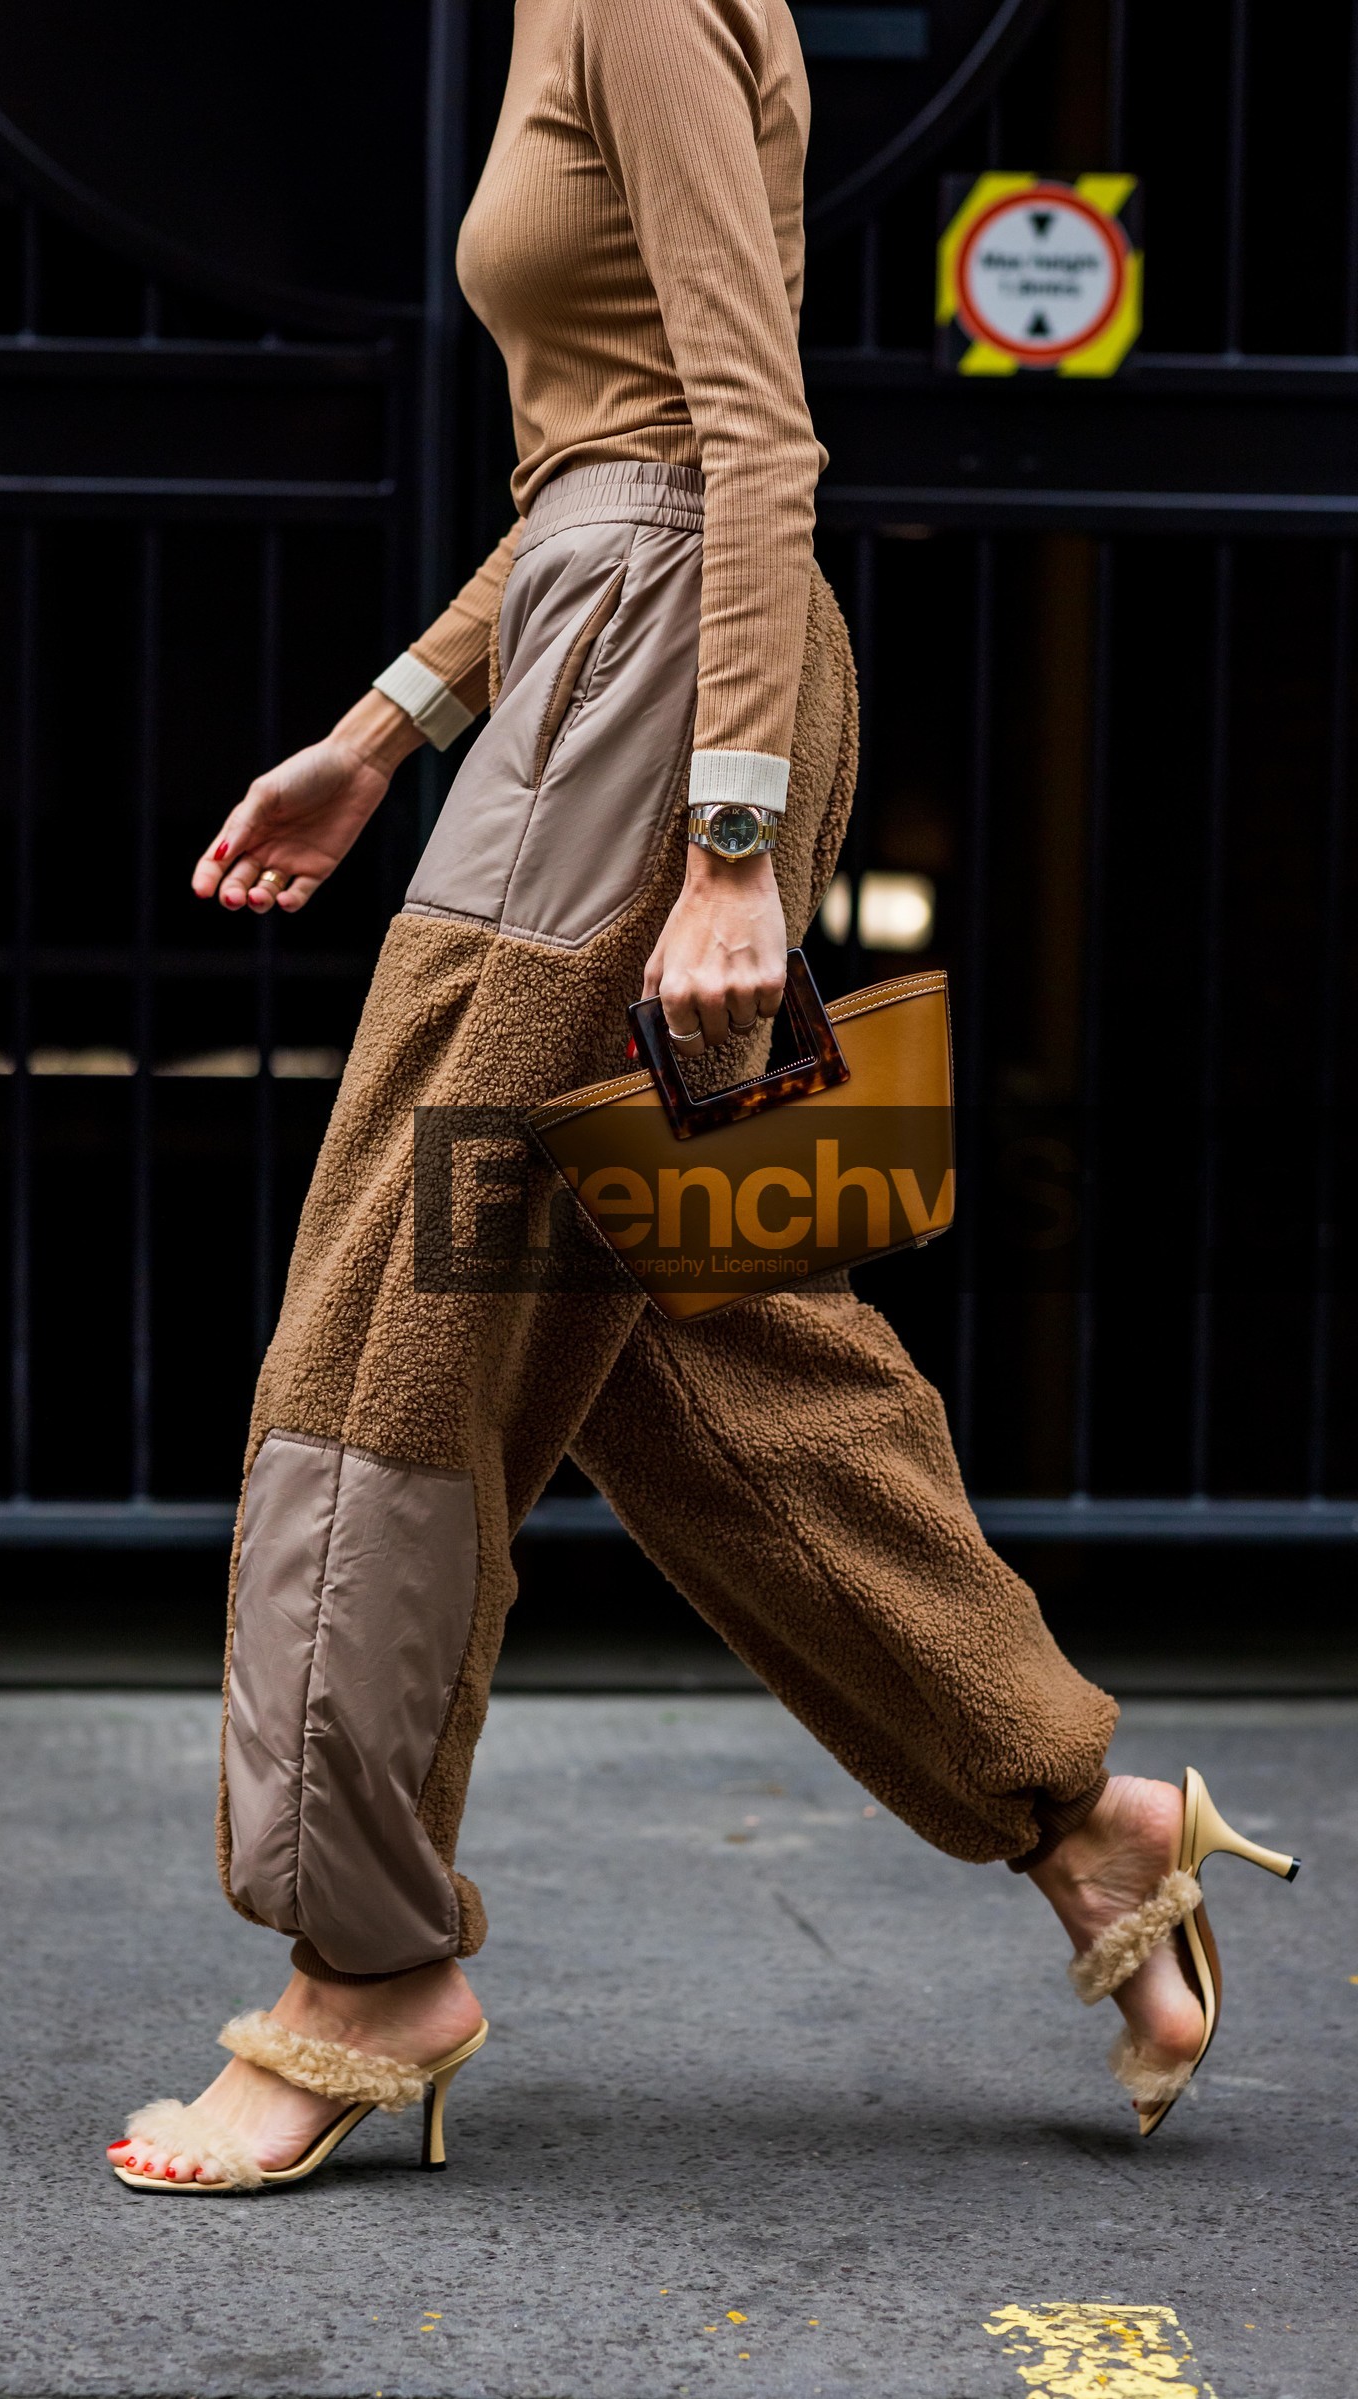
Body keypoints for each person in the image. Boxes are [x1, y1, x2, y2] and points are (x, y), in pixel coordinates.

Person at [107, 0, 1295, 2193]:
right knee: (686, 1325)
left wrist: (728, 847)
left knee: (394, 1325)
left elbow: (747, 441)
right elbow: (603, 455)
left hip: (658, 694)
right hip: (612, 647)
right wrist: (379, 730)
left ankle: (361, 1967)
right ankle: (1078, 1815)